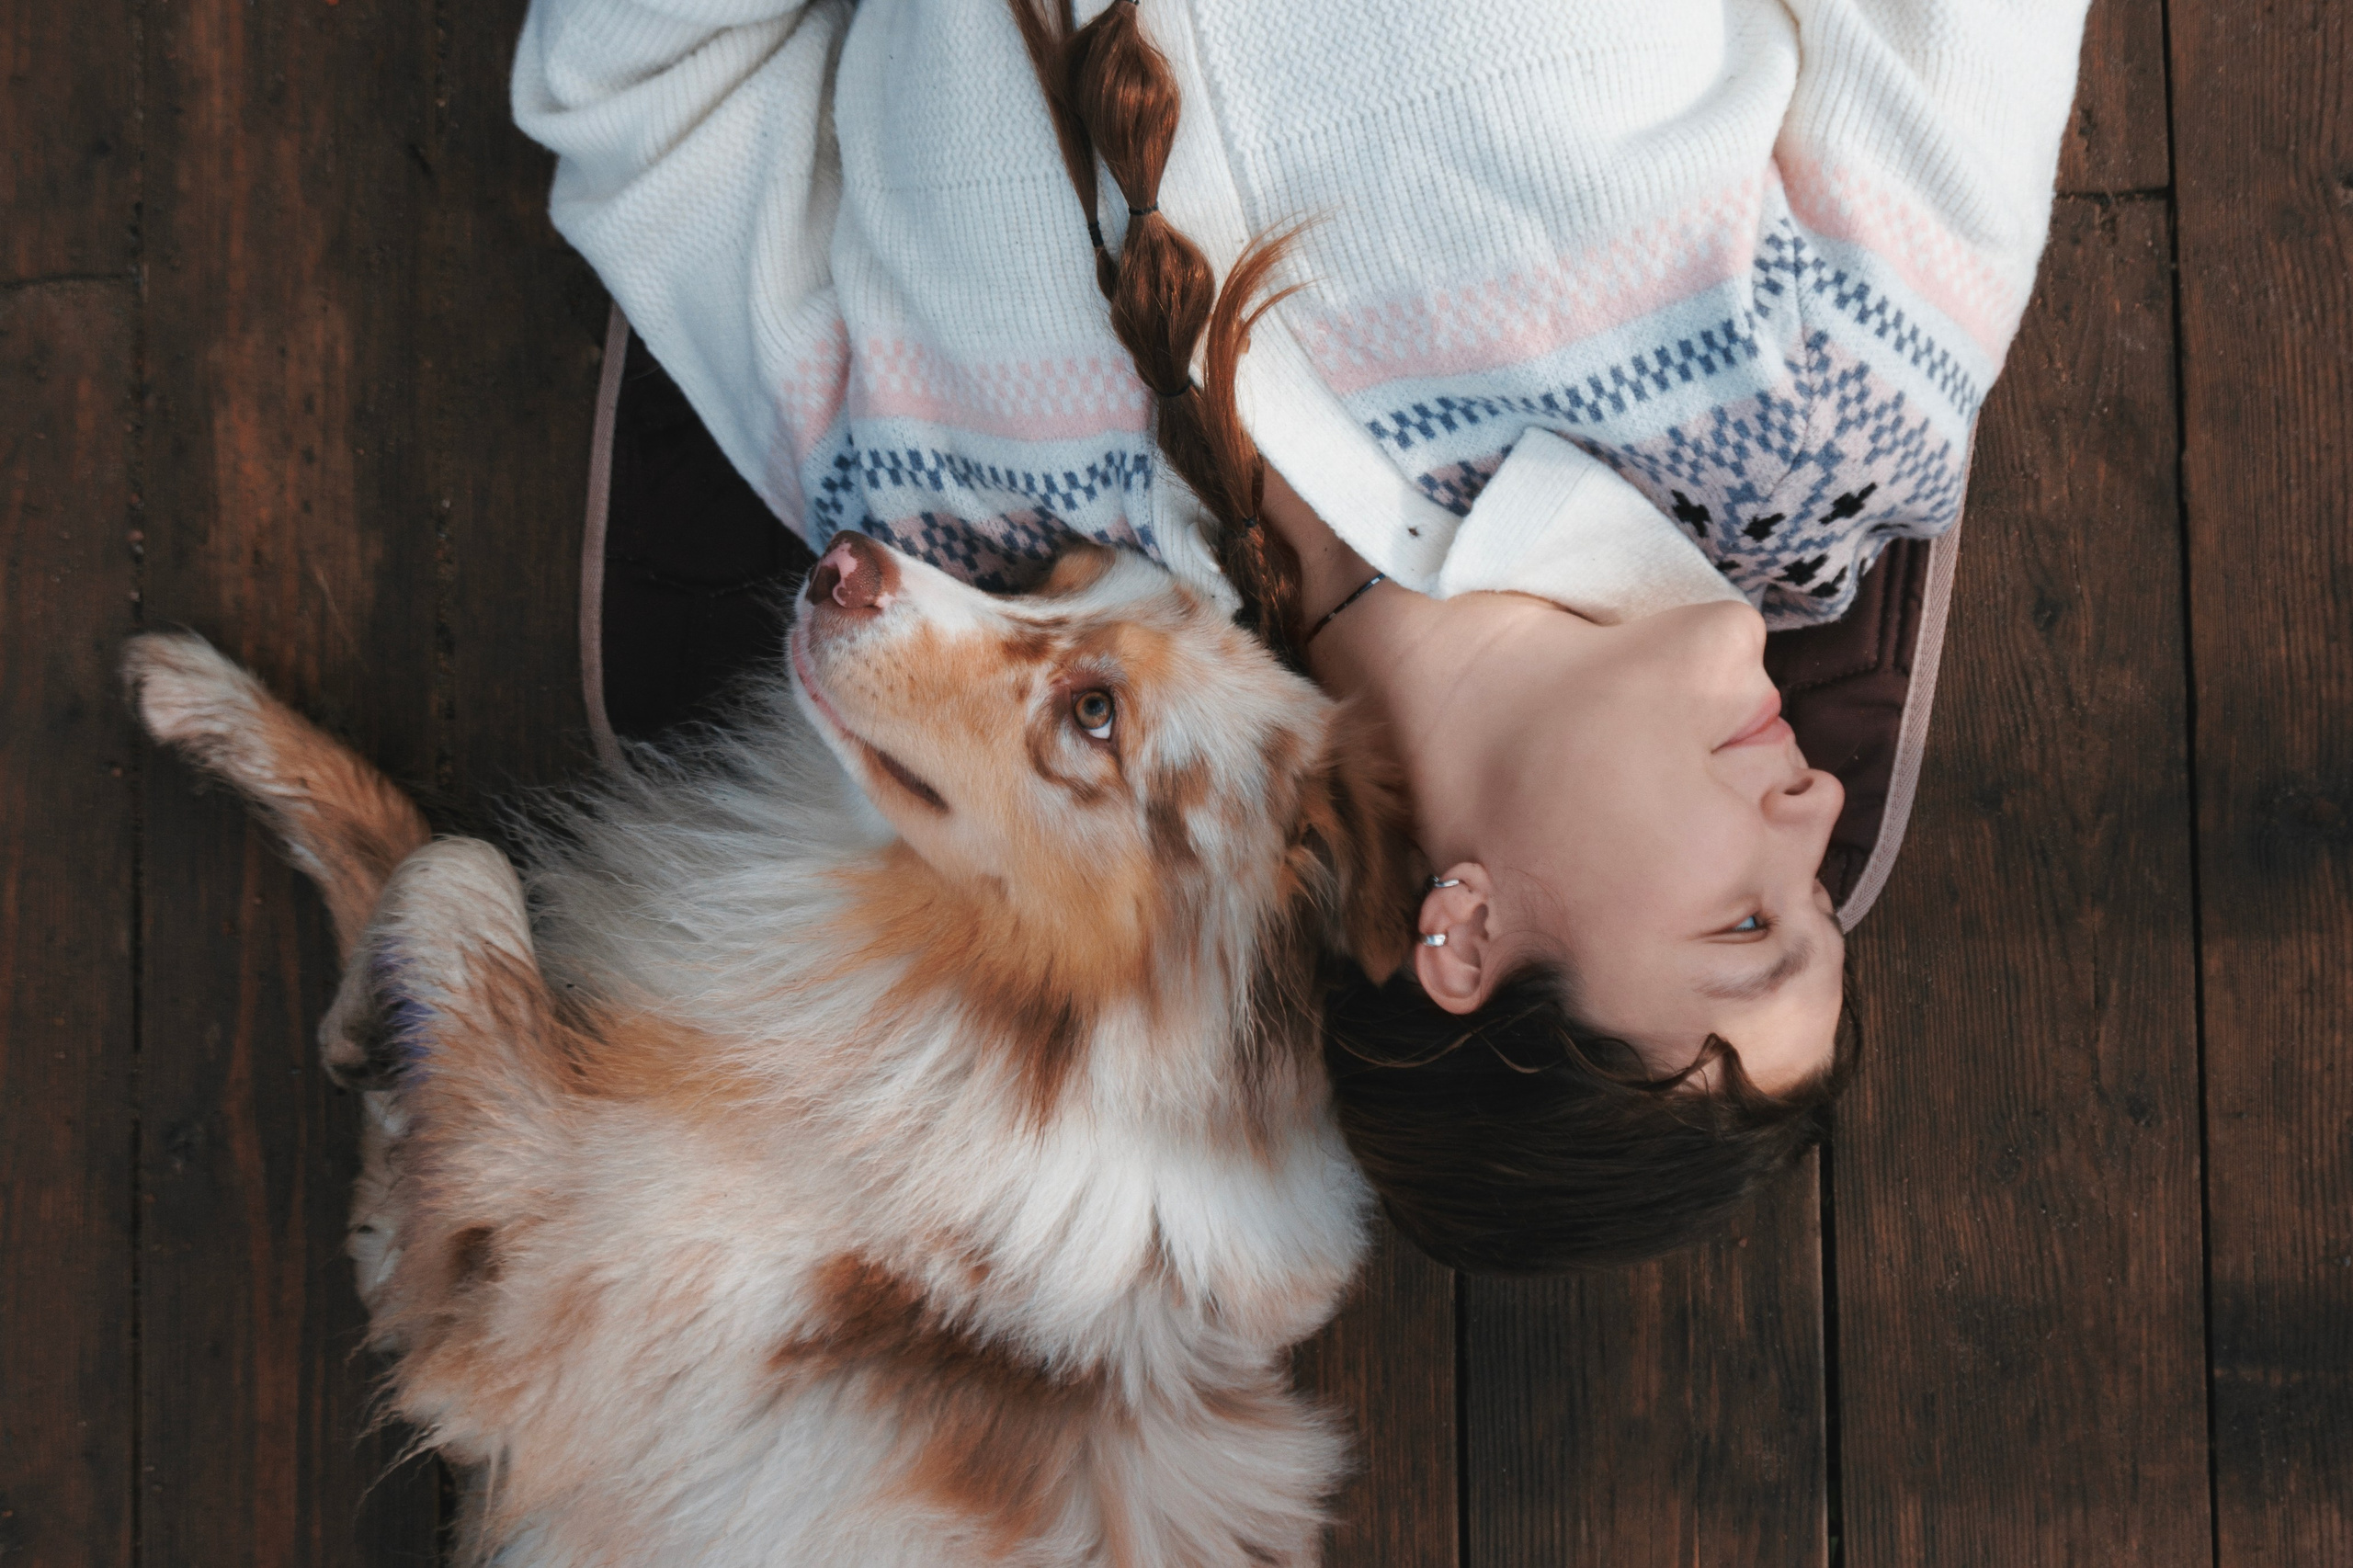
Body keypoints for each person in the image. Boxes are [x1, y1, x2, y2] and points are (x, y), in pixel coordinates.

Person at [512, 0, 2088, 1269]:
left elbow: (643, 103)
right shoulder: (1837, 410)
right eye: (1813, 890)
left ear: (1464, 938)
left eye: (1746, 925)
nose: (1817, 804)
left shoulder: (976, 557)